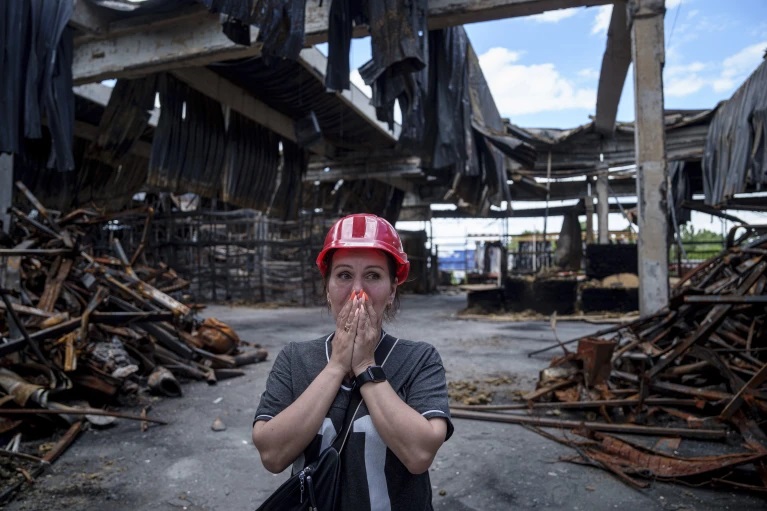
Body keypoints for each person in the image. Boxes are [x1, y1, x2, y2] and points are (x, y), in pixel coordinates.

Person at [252, 213, 453, 510]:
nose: (358, 292)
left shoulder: (419, 359)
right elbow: (272, 455)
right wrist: (336, 366)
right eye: (344, 275)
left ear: (392, 290)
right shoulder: (295, 358)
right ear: (327, 288)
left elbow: (419, 455)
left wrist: (364, 365)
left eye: (373, 276)